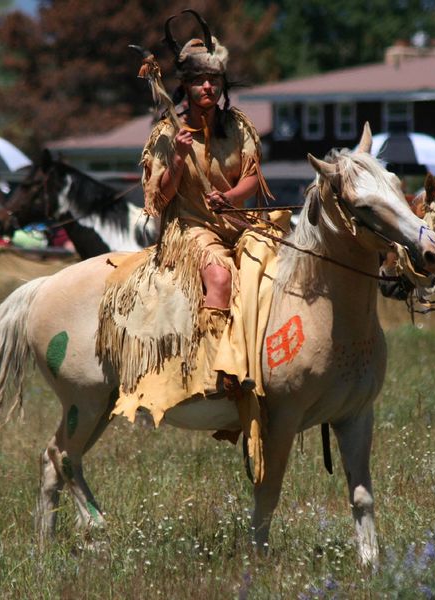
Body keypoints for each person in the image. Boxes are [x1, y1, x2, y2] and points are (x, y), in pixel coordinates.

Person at [141, 11, 271, 393]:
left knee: (278, 266)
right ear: (186, 87)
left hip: (237, 222)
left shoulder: (240, 126)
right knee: (220, 276)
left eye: (214, 80)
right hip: (190, 228)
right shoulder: (167, 133)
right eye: (199, 82)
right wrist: (178, 160)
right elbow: (159, 198)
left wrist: (229, 197)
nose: (208, 88)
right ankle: (217, 370)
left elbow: (252, 176)